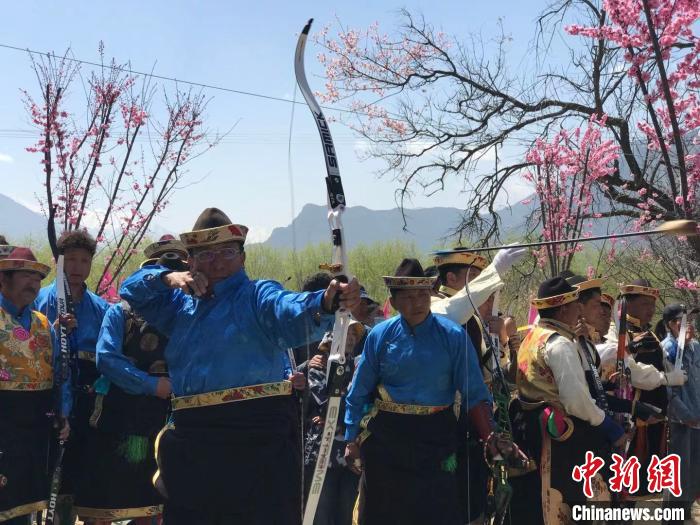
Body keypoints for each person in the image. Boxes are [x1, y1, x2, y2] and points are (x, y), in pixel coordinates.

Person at [119, 207, 360, 525]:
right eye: (205, 254)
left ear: (243, 258)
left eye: (228, 252)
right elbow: (131, 289)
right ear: (190, 262)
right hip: (194, 437)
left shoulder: (258, 296)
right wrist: (168, 277)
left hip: (256, 437)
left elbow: (288, 308)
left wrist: (325, 302)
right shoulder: (176, 305)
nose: (217, 261)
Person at [344, 258, 522, 525]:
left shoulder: (452, 336)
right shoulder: (380, 335)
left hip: (436, 439)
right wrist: (350, 439)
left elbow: (474, 392)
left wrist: (490, 435)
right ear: (393, 302)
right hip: (386, 441)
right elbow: (359, 391)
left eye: (422, 294)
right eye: (408, 296)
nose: (417, 303)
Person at [74, 236, 187, 523]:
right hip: (118, 418)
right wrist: (151, 385)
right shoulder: (120, 311)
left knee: (150, 504)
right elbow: (107, 359)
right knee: (103, 503)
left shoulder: (188, 315)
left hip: (164, 421)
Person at [510, 277, 628, 525]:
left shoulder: (532, 337)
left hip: (532, 430)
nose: (580, 311)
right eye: (576, 305)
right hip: (561, 438)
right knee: (564, 502)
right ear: (563, 308)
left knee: (539, 499)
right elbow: (576, 401)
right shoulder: (559, 344)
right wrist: (606, 424)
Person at [34, 230, 109, 524]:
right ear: (58, 262)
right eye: (71, 260)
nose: (77, 267)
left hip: (90, 402)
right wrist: (53, 334)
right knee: (52, 476)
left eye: (85, 260)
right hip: (50, 397)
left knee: (88, 474)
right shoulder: (39, 300)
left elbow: (109, 357)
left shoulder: (102, 308)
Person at [0, 247, 70, 523]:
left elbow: (59, 373)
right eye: (26, 275)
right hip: (4, 423)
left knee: (24, 505)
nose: (33, 283)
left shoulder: (43, 324)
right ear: (4, 279)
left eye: (37, 277)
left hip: (36, 426)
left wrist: (62, 412)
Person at [303, 321, 365, 525]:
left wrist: (342, 413)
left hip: (351, 449)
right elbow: (324, 403)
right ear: (331, 337)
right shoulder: (318, 366)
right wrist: (342, 413)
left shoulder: (361, 365)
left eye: (353, 335)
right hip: (323, 450)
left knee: (347, 510)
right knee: (321, 510)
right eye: (345, 333)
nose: (350, 338)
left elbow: (362, 399)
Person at [660, 304, 700, 520]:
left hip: (698, 418)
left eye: (690, 321)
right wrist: (686, 415)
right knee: (678, 474)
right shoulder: (667, 349)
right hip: (680, 422)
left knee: (695, 472)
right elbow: (668, 391)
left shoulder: (696, 347)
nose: (688, 326)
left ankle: (685, 513)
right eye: (681, 322)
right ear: (669, 325)